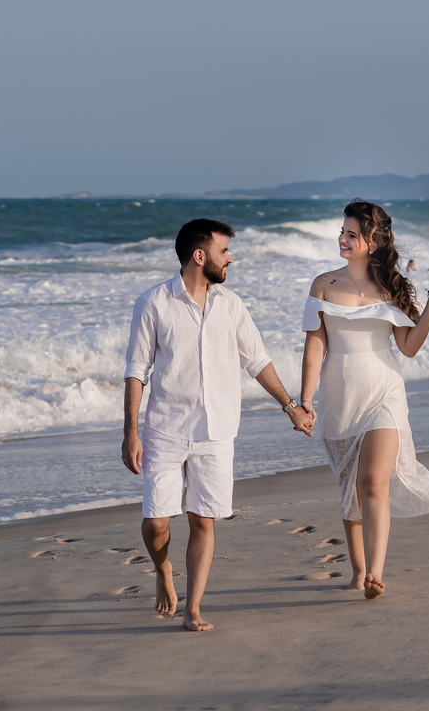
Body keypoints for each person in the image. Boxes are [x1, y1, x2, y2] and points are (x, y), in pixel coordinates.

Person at [122, 218, 314, 631]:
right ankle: (162, 571)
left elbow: (257, 361)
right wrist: (130, 433)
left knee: (202, 520)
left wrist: (290, 406)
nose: (230, 258)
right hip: (165, 429)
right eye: (224, 251)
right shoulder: (153, 303)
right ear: (200, 255)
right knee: (157, 521)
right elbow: (136, 370)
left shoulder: (232, 305)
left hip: (217, 430)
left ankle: (193, 608)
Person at [300, 200, 429, 600]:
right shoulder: (323, 284)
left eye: (352, 234)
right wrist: (304, 399)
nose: (343, 239)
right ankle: (358, 569)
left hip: (384, 390)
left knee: (372, 482)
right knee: (349, 485)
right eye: (343, 232)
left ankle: (376, 574)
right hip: (338, 394)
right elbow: (315, 346)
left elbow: (409, 347)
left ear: (372, 241)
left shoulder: (393, 288)